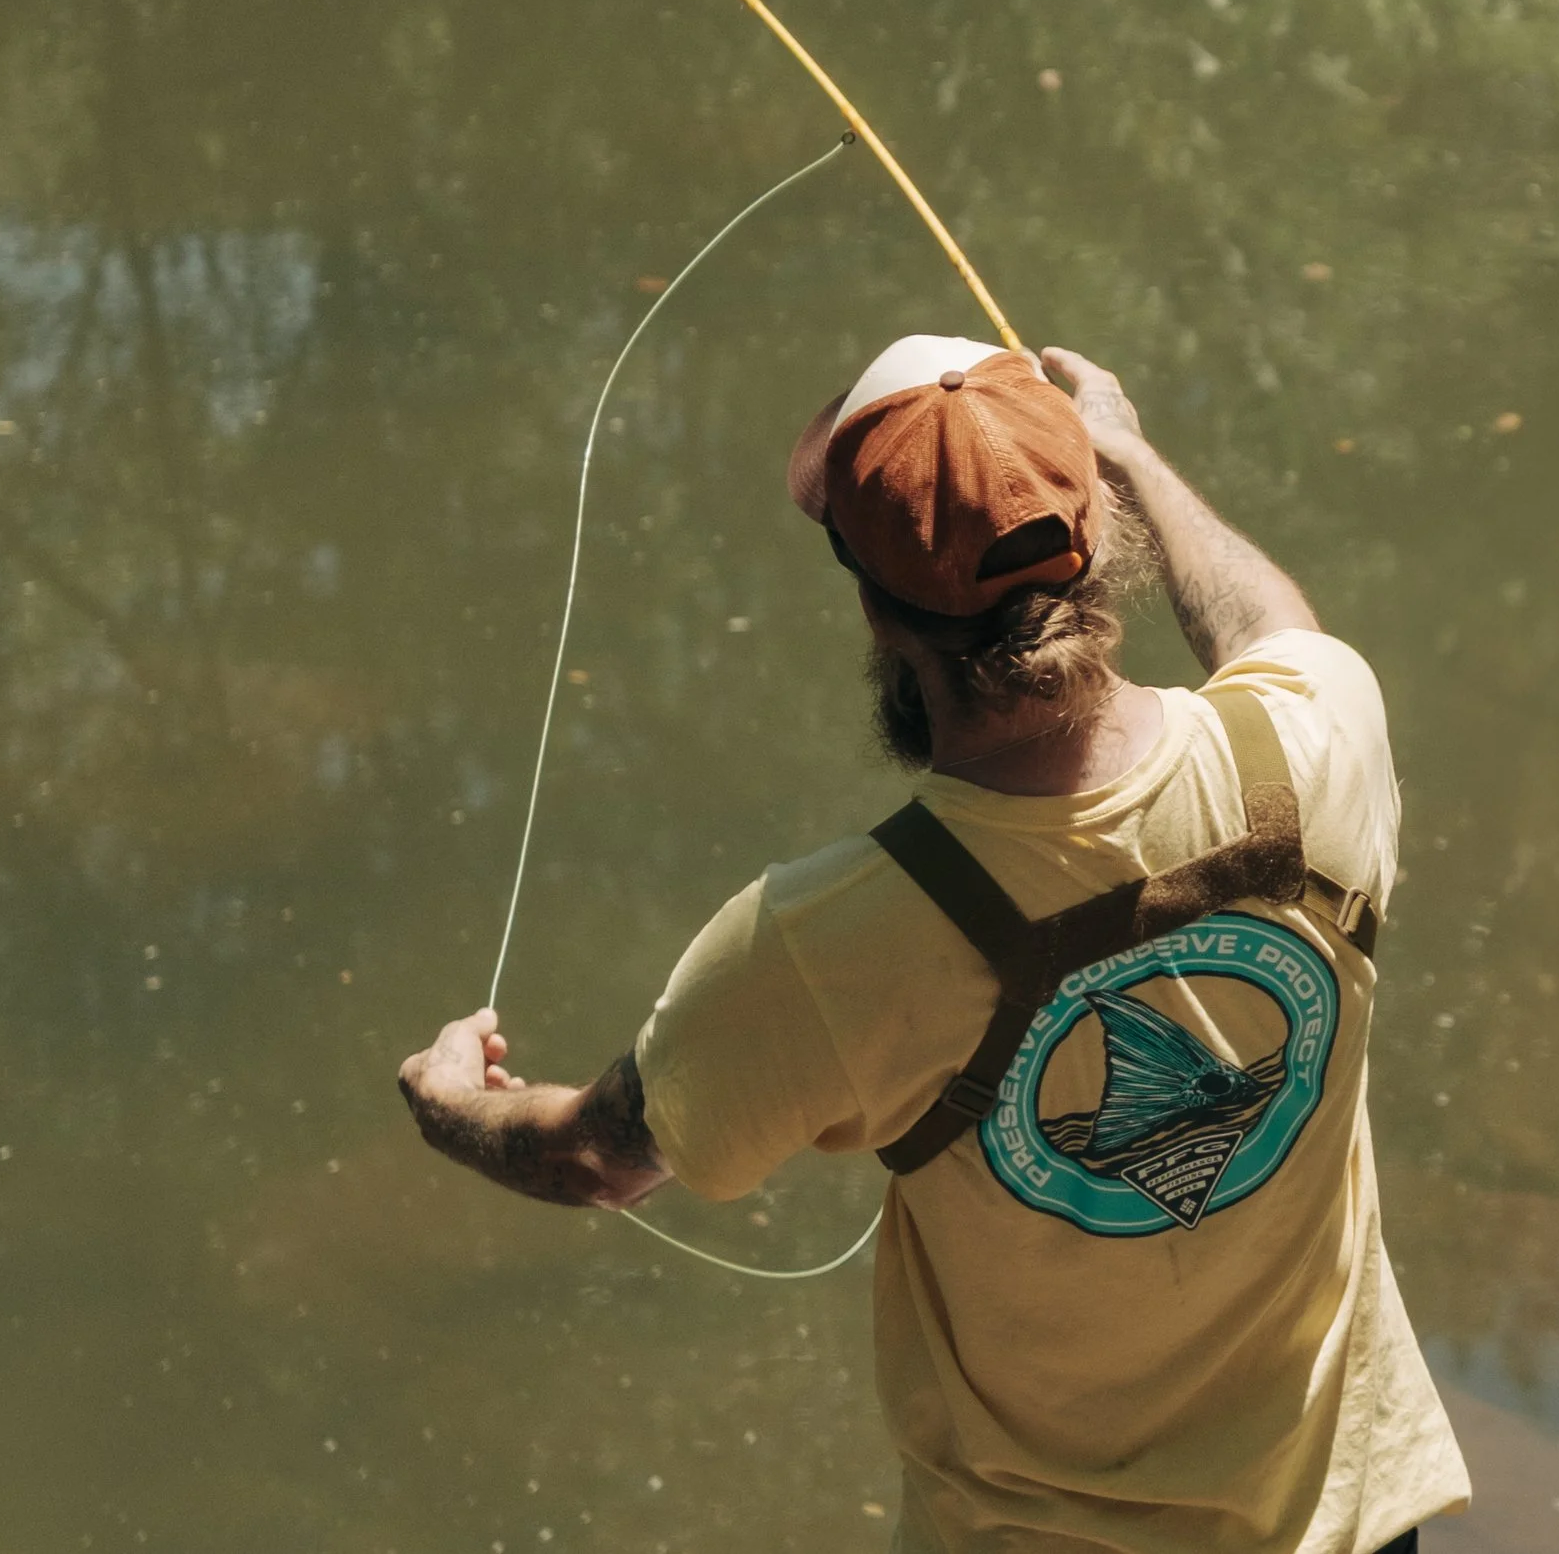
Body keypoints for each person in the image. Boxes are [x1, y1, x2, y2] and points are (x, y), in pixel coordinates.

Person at [399, 338, 1471, 1553]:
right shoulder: (1321, 738)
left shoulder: (817, 940)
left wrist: (448, 1104)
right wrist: (1133, 453)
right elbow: (1270, 625)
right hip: (1340, 1521)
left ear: (871, 601)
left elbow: (594, 1157)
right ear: (1095, 531)